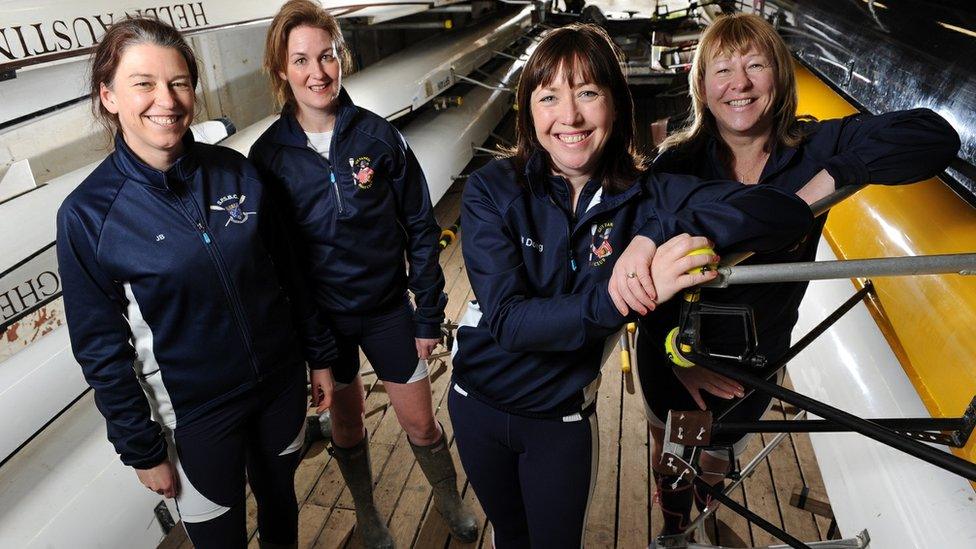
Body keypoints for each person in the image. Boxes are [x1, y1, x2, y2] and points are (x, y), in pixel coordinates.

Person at [449, 23, 837, 548]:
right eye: (549, 98)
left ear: (615, 104)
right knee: (524, 530)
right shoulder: (494, 189)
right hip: (481, 403)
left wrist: (656, 235)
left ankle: (682, 522)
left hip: (714, 377)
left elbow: (780, 215)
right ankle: (679, 520)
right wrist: (662, 337)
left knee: (708, 463)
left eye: (588, 93)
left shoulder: (650, 196)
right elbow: (512, 322)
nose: (570, 116)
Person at [608, 12, 961, 540]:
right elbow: (649, 295)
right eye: (722, 70)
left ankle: (702, 516)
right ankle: (676, 527)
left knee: (717, 458)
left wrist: (833, 179)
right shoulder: (676, 164)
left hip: (759, 355)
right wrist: (680, 362)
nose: (740, 84)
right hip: (681, 360)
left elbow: (935, 136)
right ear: (701, 86)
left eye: (756, 65)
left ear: (780, 75)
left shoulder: (816, 147)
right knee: (676, 453)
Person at [56, 17, 337, 549]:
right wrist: (142, 447)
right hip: (196, 417)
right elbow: (99, 348)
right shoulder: (89, 216)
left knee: (281, 506)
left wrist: (318, 354)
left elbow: (289, 273)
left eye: (179, 82)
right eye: (144, 83)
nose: (166, 98)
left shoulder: (236, 171)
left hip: (278, 382)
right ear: (108, 96)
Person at [248, 1, 477, 546]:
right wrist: (309, 345)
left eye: (326, 56)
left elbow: (421, 227)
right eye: (301, 60)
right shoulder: (268, 158)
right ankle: (368, 512)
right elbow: (279, 263)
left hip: (386, 312)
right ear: (282, 70)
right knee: (348, 426)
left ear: (341, 57)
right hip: (325, 323)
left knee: (420, 423)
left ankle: (448, 498)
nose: (317, 72)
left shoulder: (378, 138)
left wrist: (427, 315)